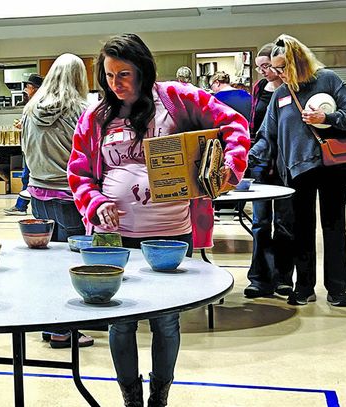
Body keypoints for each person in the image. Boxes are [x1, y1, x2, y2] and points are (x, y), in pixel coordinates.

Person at [67, 33, 249, 407]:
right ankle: (130, 398)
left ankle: (159, 397)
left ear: (144, 71)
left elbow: (234, 126)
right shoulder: (95, 116)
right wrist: (94, 201)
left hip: (171, 230)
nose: (117, 84)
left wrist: (227, 170)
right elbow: (78, 172)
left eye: (125, 74)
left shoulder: (179, 98)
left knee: (166, 319)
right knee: (120, 320)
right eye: (109, 76)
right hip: (111, 235)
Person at [250, 34, 346, 307]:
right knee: (301, 230)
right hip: (297, 171)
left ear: (298, 62)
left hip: (333, 166)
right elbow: (267, 136)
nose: (278, 74)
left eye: (282, 68)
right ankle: (304, 287)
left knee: (334, 228)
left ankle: (337, 289)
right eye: (275, 69)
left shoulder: (328, 80)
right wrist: (245, 159)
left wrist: (327, 118)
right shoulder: (280, 94)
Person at [21, 55, 94, 348]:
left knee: (47, 265)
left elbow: (25, 150)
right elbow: (92, 154)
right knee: (72, 264)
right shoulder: (81, 110)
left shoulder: (29, 109)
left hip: (38, 194)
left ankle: (49, 323)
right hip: (69, 195)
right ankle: (65, 330)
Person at [244, 43, 295, 298]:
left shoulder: (291, 89)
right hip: (261, 163)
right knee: (260, 223)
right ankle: (259, 279)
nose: (264, 71)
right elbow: (256, 126)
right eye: (260, 67)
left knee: (285, 223)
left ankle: (284, 278)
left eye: (267, 67)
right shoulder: (258, 89)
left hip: (286, 165)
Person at [210, 71, 252, 219]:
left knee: (221, 177)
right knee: (240, 175)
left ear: (216, 83)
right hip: (245, 140)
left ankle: (221, 209)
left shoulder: (214, 99)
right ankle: (238, 210)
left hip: (223, 143)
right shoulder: (247, 96)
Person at [4, 73, 43, 216]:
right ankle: (21, 206)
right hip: (30, 147)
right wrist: (23, 124)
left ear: (34, 88)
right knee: (27, 177)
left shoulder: (39, 104)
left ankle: (22, 206)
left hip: (35, 148)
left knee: (29, 177)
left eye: (28, 86)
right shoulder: (32, 103)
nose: (26, 89)